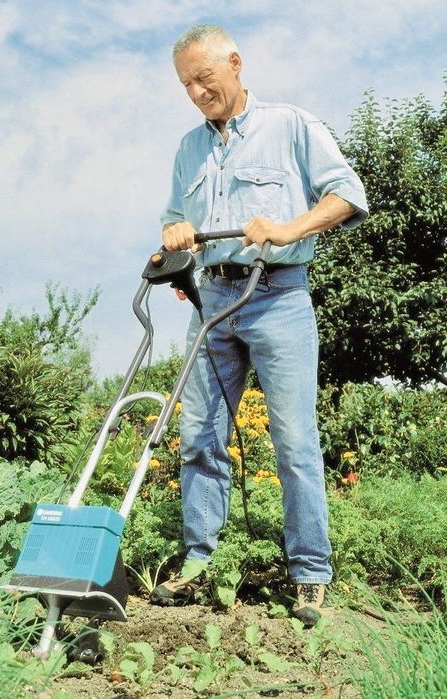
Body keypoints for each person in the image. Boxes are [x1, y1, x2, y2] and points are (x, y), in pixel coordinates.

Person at [150, 24, 368, 626]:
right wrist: (174, 236)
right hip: (213, 301)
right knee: (199, 435)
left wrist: (288, 228)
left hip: (278, 297)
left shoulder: (290, 125)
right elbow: (174, 218)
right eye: (186, 84)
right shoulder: (188, 149)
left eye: (205, 77)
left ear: (235, 63)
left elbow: (347, 193)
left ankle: (310, 573)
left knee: (294, 440)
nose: (197, 92)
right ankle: (199, 561)